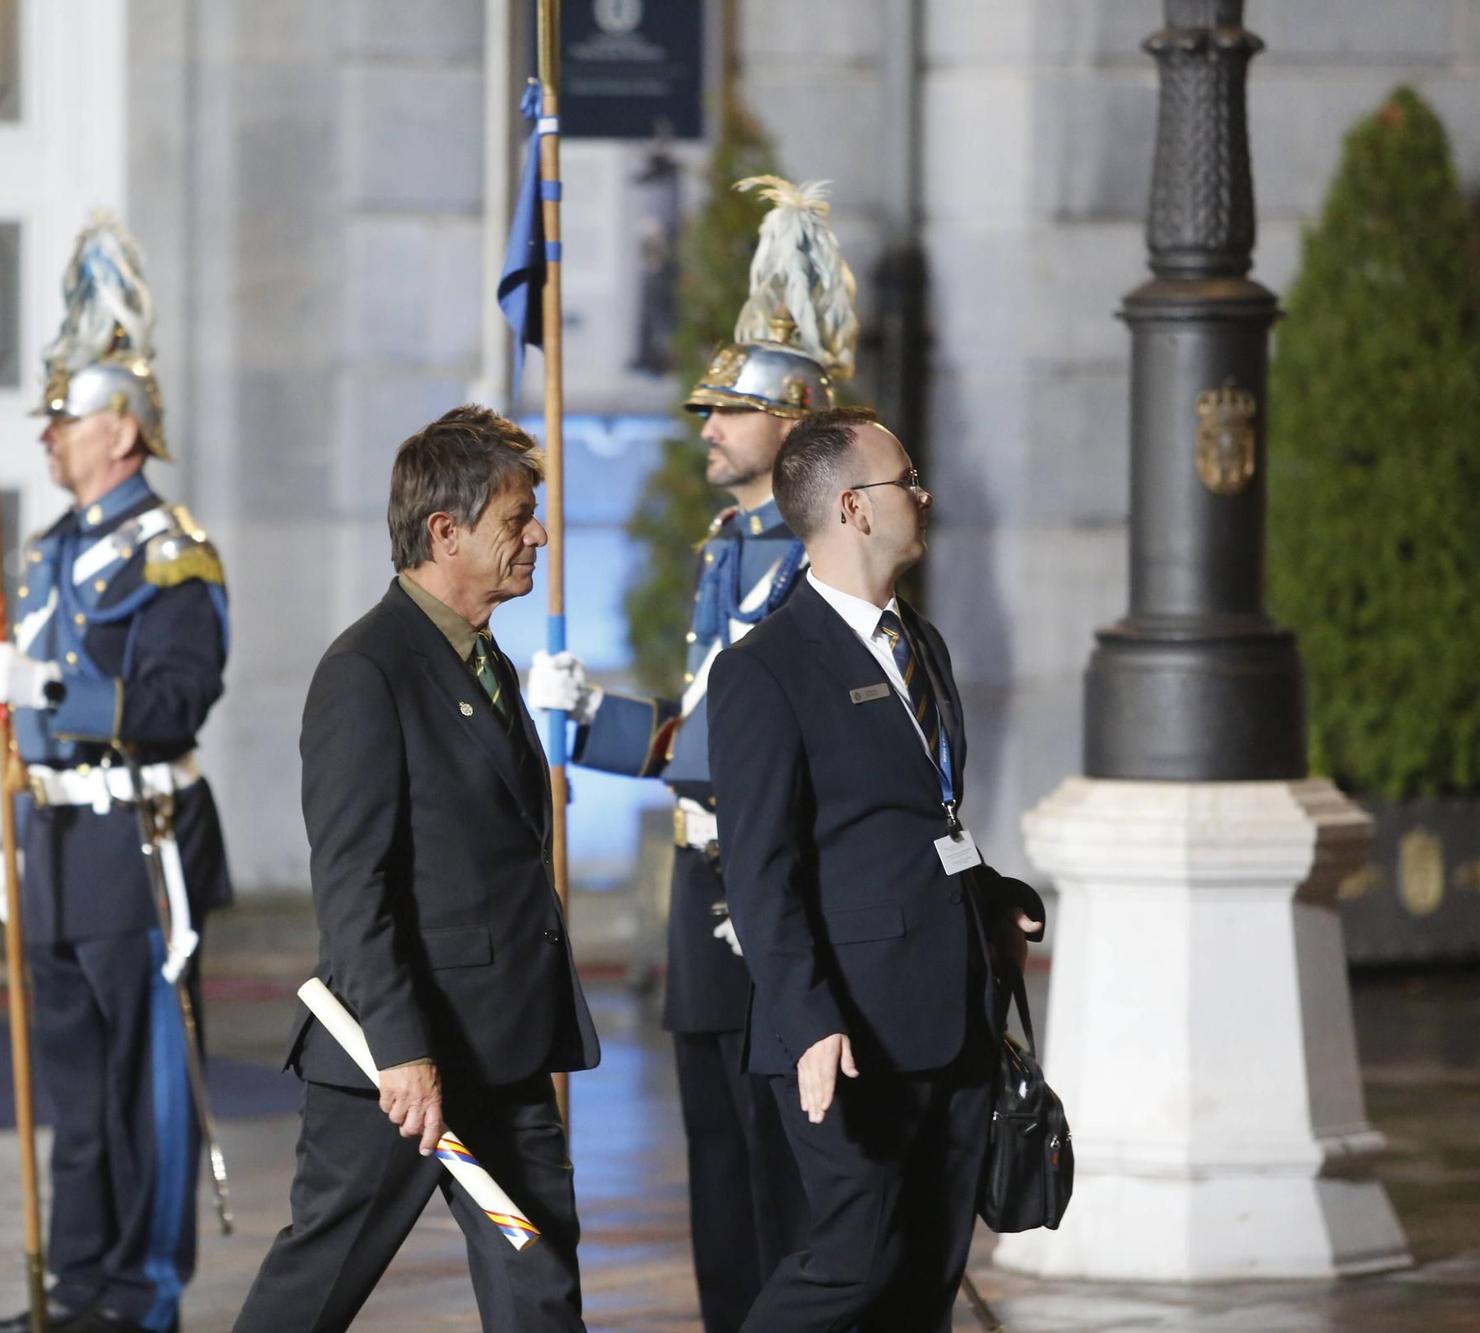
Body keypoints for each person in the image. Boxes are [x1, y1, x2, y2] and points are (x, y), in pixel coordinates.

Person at [524, 175, 860, 1331]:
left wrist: (622, 730)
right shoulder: (729, 545)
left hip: (777, 890)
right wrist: (592, 716)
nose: (705, 427)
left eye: (730, 410)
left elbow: (741, 740)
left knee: (785, 1169)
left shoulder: (818, 556)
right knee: (715, 1165)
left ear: (798, 417)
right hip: (705, 884)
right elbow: (706, 718)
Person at [233, 405, 600, 1333]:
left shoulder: (487, 662)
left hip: (505, 1048)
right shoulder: (368, 669)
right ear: (447, 532)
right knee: (315, 1287)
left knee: (540, 1281)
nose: (540, 535)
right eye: (519, 518)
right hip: (401, 1065)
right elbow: (353, 884)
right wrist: (402, 1050)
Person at [707, 409, 1045, 1330]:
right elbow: (760, 871)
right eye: (908, 480)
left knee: (924, 1281)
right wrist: (808, 1019)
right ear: (854, 507)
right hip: (845, 1033)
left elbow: (926, 821)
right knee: (855, 1261)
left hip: (949, 1010)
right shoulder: (764, 671)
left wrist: (994, 902)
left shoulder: (920, 644)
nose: (925, 495)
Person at [0, 216, 232, 1333]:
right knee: (76, 1096)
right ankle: (75, 1288)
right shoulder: (43, 554)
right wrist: (8, 827)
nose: (45, 435)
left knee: (145, 1092)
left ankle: (141, 1296)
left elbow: (179, 697)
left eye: (64, 417)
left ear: (119, 428)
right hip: (58, 846)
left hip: (138, 843)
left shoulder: (173, 550)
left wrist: (49, 694)